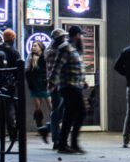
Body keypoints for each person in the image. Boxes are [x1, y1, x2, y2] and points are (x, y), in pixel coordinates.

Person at [49, 25, 87, 153]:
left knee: (69, 115)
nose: (82, 37)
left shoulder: (73, 49)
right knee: (81, 112)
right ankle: (71, 142)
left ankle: (65, 143)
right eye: (81, 35)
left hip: (75, 85)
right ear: (76, 35)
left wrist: (83, 81)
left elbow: (74, 68)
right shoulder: (65, 48)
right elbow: (57, 66)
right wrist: (51, 83)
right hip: (69, 86)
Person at [43, 28, 67, 148]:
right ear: (60, 38)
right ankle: (56, 139)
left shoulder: (48, 50)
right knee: (59, 112)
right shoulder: (58, 51)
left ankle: (48, 129)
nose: (65, 38)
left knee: (58, 112)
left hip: (52, 84)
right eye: (64, 37)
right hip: (60, 84)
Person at [26, 39, 50, 140]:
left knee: (51, 105)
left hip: (44, 83)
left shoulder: (45, 57)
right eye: (32, 46)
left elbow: (49, 69)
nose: (33, 47)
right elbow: (28, 71)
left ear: (40, 47)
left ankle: (52, 126)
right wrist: (30, 83)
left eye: (35, 46)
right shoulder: (30, 57)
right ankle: (40, 127)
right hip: (35, 83)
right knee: (37, 108)